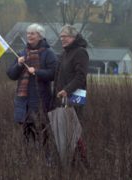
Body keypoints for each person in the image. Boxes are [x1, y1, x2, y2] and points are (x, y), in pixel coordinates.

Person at [6, 23, 57, 160]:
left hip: (40, 100)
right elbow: (11, 75)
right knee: (26, 132)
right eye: (28, 33)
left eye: (32, 34)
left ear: (40, 36)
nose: (29, 36)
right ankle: (27, 159)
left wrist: (37, 72)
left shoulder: (48, 53)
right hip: (23, 101)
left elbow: (54, 74)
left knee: (42, 130)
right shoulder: (22, 54)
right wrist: (18, 65)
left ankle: (46, 159)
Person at [53, 24, 90, 168]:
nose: (62, 39)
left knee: (74, 132)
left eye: (65, 37)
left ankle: (85, 164)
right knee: (64, 132)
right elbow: (58, 75)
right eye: (61, 37)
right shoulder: (64, 53)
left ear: (74, 37)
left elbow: (81, 76)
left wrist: (67, 90)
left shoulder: (80, 52)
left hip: (75, 96)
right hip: (62, 96)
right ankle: (70, 163)